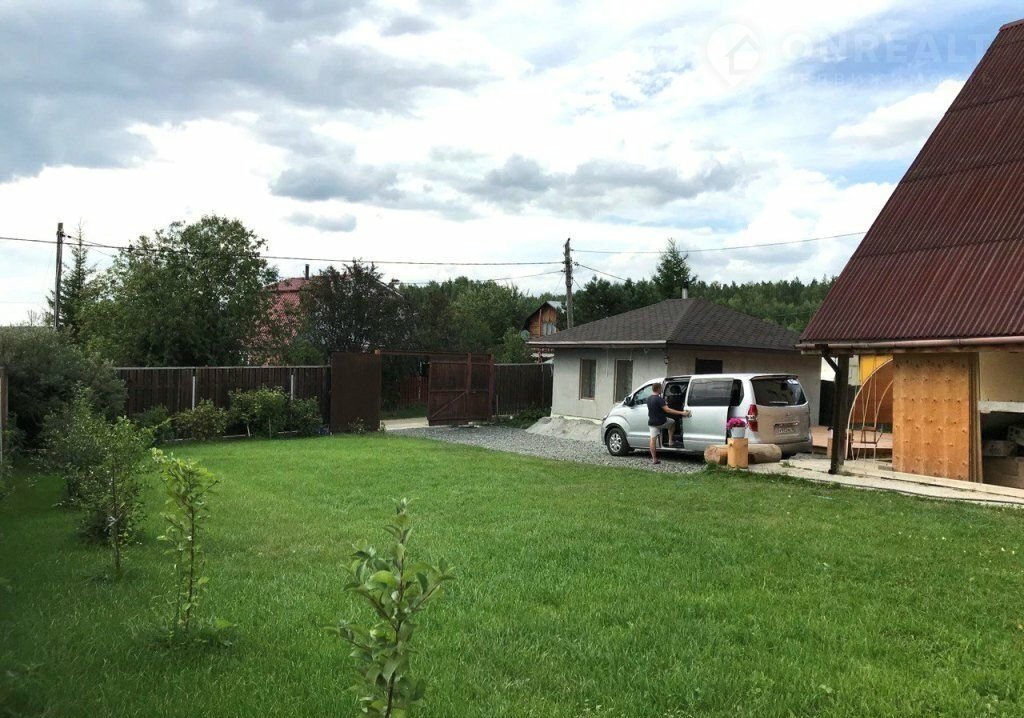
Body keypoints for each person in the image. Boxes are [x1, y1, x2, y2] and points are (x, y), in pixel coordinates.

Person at [647, 382, 690, 464]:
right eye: (661, 388)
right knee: (672, 422)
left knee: (652, 440)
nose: (662, 389)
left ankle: (654, 459)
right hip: (661, 421)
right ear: (658, 389)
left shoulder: (649, 398)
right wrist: (682, 413)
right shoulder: (659, 399)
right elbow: (668, 410)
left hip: (652, 422)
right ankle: (670, 441)